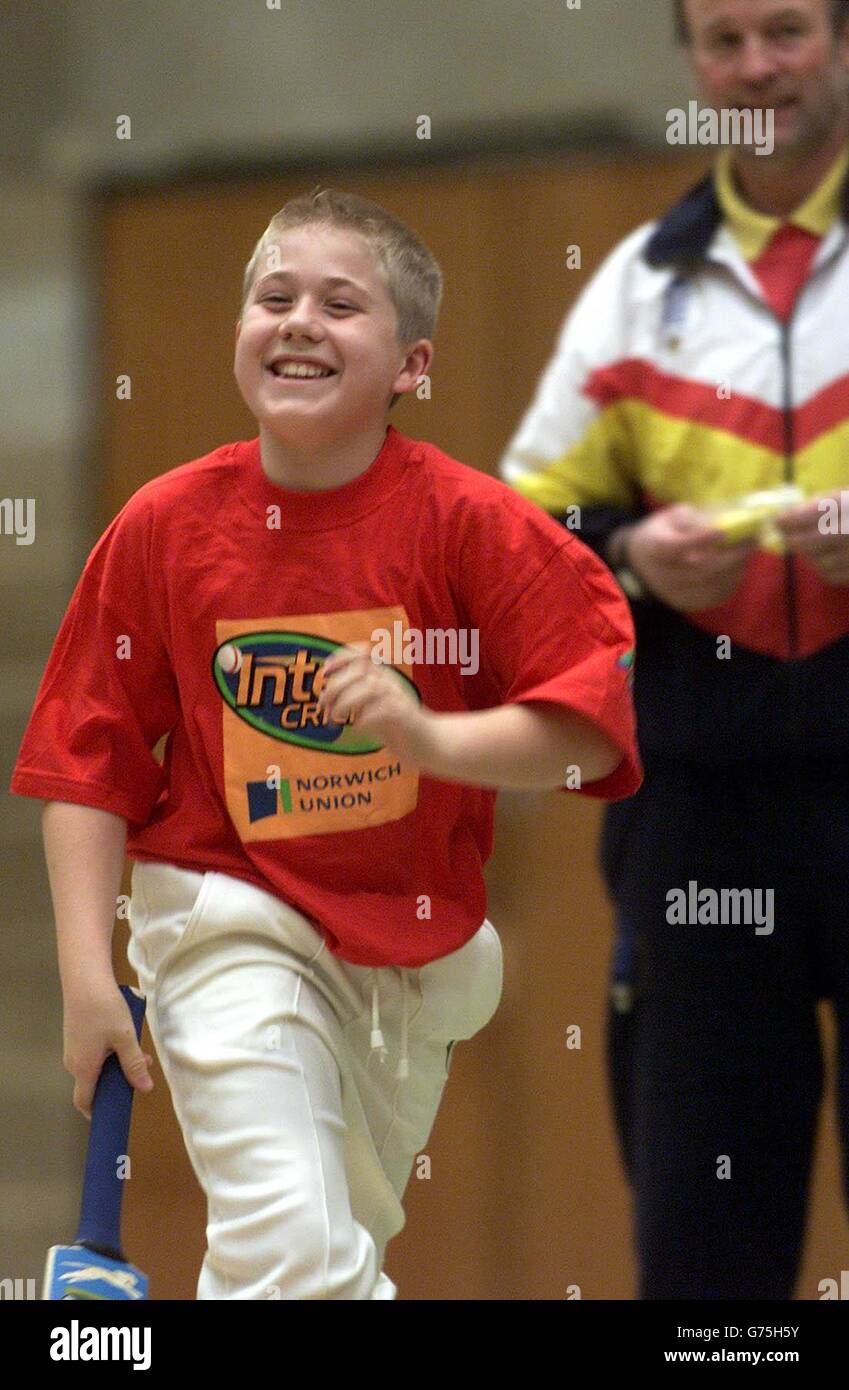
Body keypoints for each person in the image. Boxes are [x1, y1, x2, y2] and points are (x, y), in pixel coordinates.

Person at [10, 188, 641, 1300]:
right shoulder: (165, 525)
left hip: (408, 967)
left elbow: (581, 734)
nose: (299, 319)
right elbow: (84, 761)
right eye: (274, 297)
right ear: (240, 334)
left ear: (412, 364)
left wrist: (426, 733)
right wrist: (82, 978)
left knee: (311, 1258)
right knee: (298, 1249)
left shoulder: (469, 525)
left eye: (341, 304)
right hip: (225, 922)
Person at [499, 0, 849, 1301]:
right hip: (699, 816)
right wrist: (637, 558)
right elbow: (514, 541)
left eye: (787, 30)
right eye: (722, 39)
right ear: (690, 62)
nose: (755, 65)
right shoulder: (640, 282)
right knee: (708, 1246)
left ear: (843, 40)